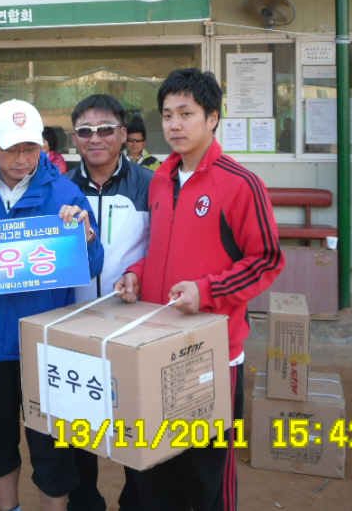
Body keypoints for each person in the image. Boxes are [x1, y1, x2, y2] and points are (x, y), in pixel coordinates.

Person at [115, 68, 285, 511]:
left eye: (186, 113)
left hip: (211, 354)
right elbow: (157, 248)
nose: (174, 124)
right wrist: (136, 273)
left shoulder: (240, 184)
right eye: (168, 115)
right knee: (150, 464)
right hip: (154, 348)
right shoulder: (160, 180)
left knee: (204, 475)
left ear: (212, 117)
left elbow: (266, 259)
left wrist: (206, 292)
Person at [0, 99, 104, 511]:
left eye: (31, 148)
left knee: (53, 444)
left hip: (46, 344)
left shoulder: (65, 194)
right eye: (11, 149)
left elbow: (93, 266)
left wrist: (86, 238)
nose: (22, 159)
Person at [66, 94, 154, 511]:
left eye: (105, 129)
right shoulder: (60, 188)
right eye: (85, 131)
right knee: (77, 422)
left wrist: (140, 275)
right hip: (74, 326)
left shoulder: (150, 185)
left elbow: (163, 248)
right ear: (74, 139)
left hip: (134, 326)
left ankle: (135, 501)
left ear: (122, 134)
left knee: (136, 419)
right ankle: (85, 501)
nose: (95, 138)